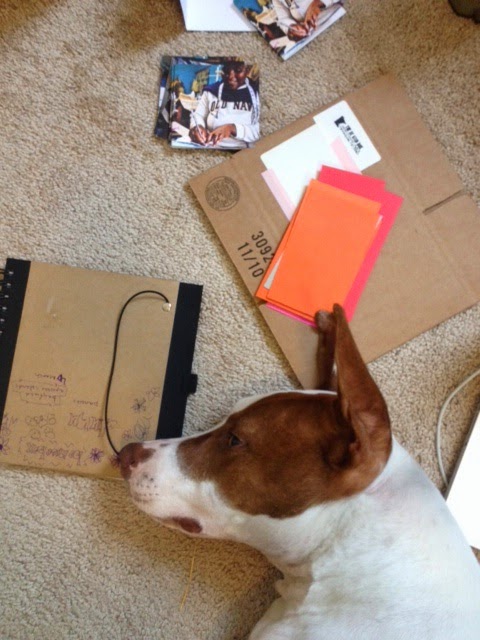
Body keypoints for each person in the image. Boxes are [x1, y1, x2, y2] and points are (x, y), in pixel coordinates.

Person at [189, 60, 260, 149]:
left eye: (238, 70)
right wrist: (197, 126)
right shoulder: (210, 91)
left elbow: (260, 131)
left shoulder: (257, 94)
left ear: (247, 71)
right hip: (211, 146)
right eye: (226, 71)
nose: (230, 76)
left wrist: (232, 129)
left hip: (243, 151)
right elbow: (198, 115)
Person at [272, 0, 339, 41]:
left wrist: (317, 2)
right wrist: (292, 27)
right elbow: (283, 18)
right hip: (317, 33)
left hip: (336, 20)